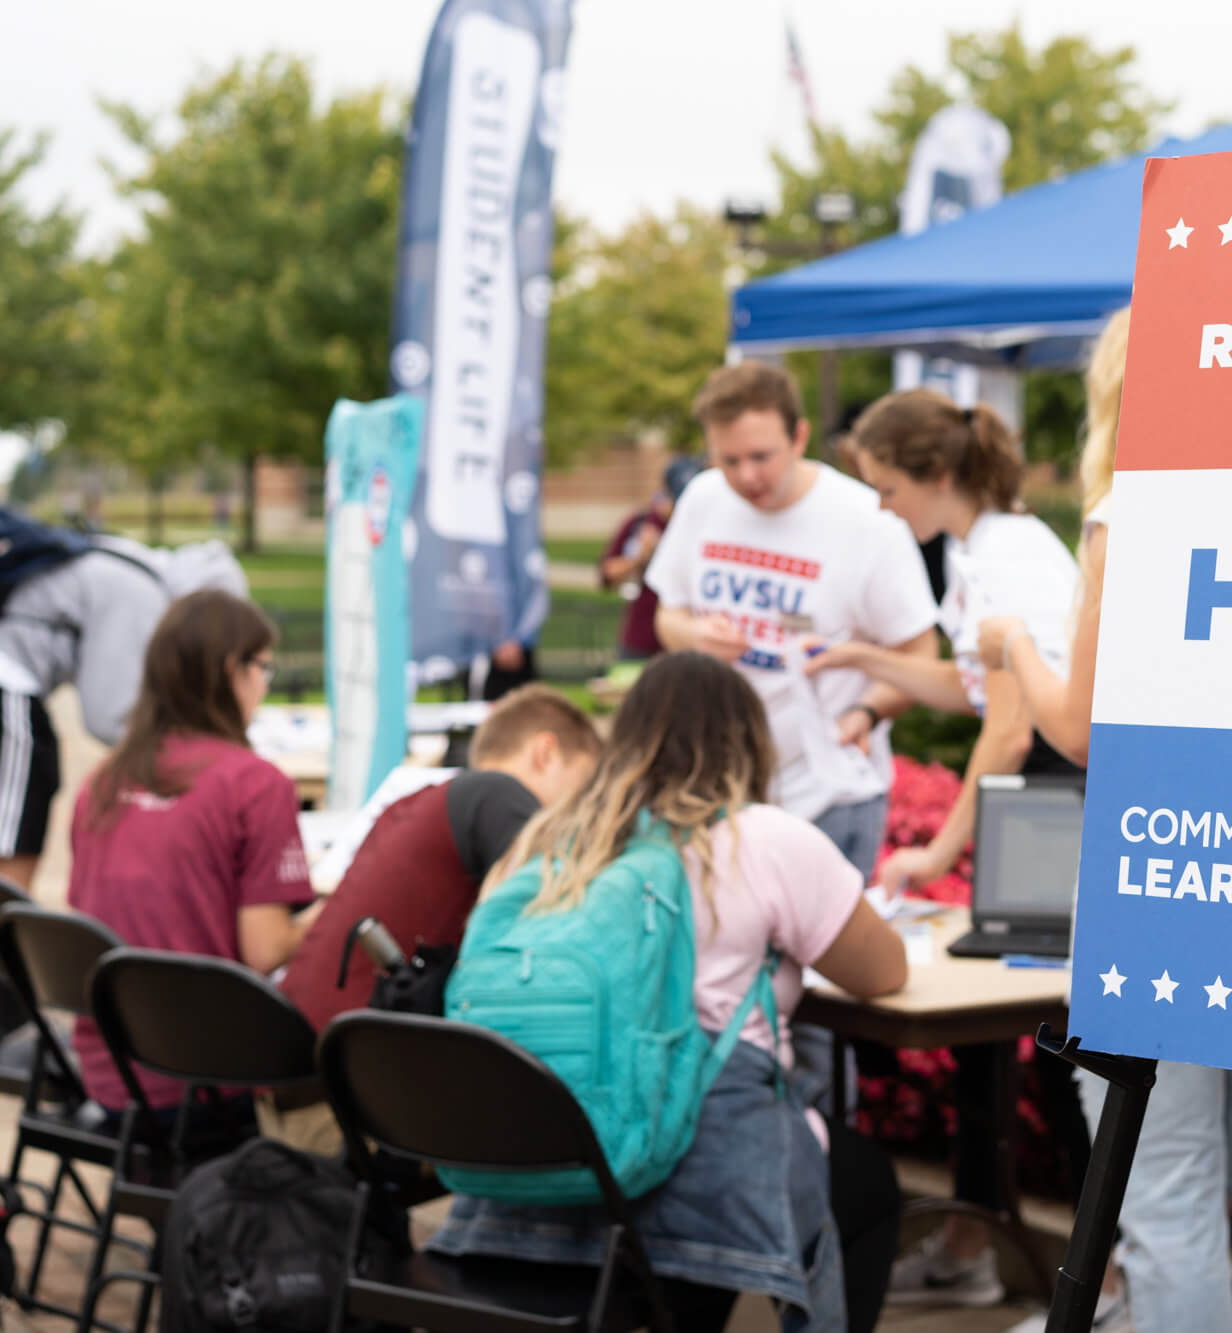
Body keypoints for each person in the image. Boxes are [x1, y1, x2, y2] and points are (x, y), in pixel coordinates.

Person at [981, 308, 1232, 1333]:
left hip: (1163, 874)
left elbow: (1082, 726)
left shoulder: (1133, 510)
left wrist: (1012, 644)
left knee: (1162, 1185)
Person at [428, 652, 910, 1333]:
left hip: (535, 1161)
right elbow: (882, 970)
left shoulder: (545, 840)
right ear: (747, 741)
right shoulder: (763, 840)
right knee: (869, 1188)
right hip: (701, 1175)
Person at [801, 391, 1092, 1312]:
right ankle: (971, 1245)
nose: (882, 509)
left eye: (886, 488)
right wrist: (864, 658)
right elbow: (971, 685)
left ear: (935, 476)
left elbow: (1009, 726)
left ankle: (1108, 1282)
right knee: (1001, 1048)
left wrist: (934, 851)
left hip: (1050, 814)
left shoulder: (1009, 561)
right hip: (1035, 814)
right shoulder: (988, 549)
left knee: (1057, 1051)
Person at [262, 685, 602, 1152]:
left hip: (295, 1094)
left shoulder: (417, 804)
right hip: (347, 1113)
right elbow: (563, 921)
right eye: (583, 787)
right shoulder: (497, 794)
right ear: (546, 752)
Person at [645, 361, 940, 881]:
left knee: (822, 962)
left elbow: (921, 657)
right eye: (728, 459)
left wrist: (866, 715)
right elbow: (668, 614)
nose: (747, 477)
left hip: (829, 794)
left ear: (799, 436)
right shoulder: (703, 499)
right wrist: (696, 636)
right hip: (719, 790)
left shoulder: (866, 521)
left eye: (762, 456)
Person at [64, 589, 321, 1131]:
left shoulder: (103, 782)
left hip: (110, 1072)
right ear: (234, 670)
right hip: (204, 1082)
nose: (266, 684)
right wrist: (338, 908)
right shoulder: (255, 784)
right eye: (264, 668)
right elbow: (265, 950)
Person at [0, 534, 243, 893]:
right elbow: (109, 717)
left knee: (9, 841)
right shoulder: (138, 594)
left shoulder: (125, 562)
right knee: (16, 847)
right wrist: (195, 759)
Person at [600, 456, 705, 661]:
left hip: (689, 642)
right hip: (641, 641)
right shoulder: (641, 523)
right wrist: (640, 556)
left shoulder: (705, 526)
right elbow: (607, 576)